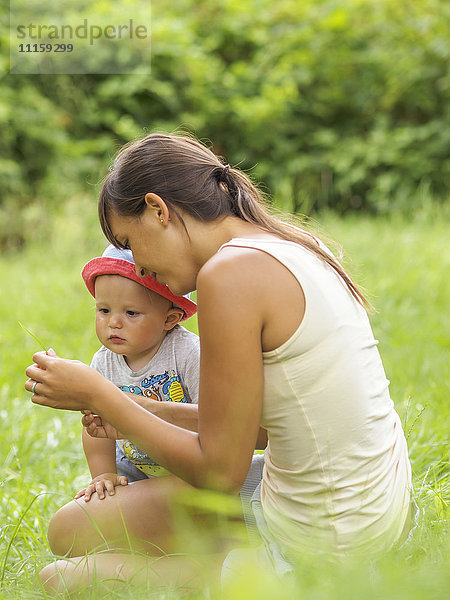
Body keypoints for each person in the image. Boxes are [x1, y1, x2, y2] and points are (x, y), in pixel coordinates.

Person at [26, 133, 413, 593]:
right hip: (378, 503)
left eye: (131, 241)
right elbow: (264, 429)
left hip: (325, 538)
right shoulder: (291, 244)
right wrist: (144, 409)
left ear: (158, 210)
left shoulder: (229, 274)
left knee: (62, 576)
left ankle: (241, 571)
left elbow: (219, 470)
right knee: (72, 528)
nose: (142, 271)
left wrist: (99, 394)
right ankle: (236, 553)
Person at [75, 244, 199, 503]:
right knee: (101, 510)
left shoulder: (188, 353)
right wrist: (103, 474)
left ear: (170, 319)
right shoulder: (103, 363)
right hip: (133, 469)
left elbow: (211, 420)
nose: (114, 322)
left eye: (131, 313)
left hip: (190, 470)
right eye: (104, 310)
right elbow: (95, 428)